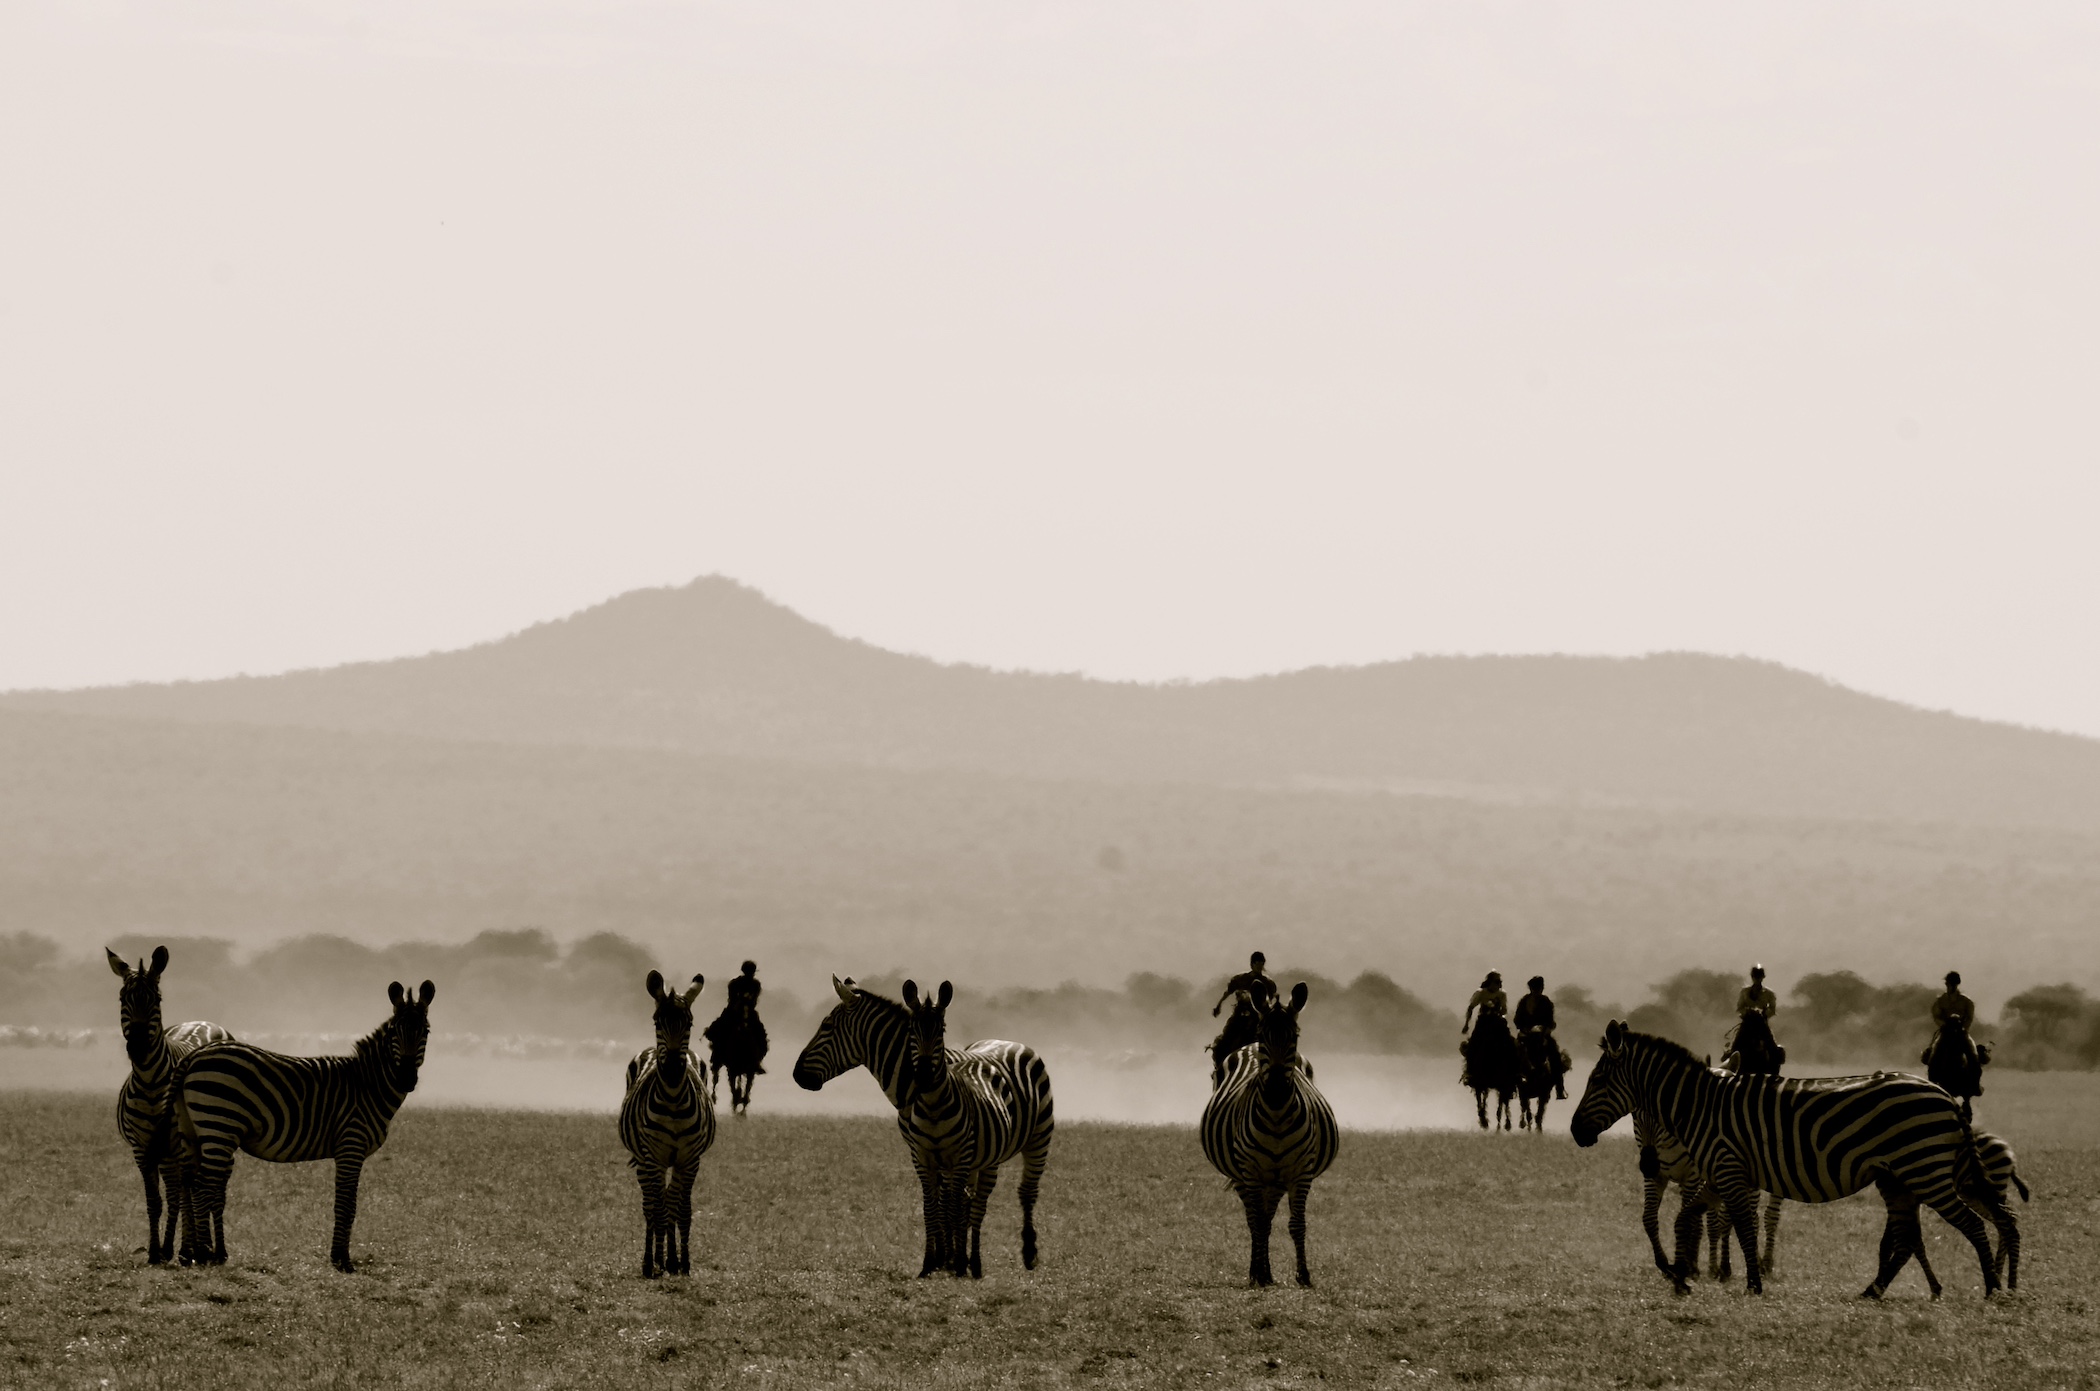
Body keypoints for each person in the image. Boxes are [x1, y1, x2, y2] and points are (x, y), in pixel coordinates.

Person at [1209, 952, 1276, 1085]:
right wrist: (1218, 1006)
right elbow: (1227, 993)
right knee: (1224, 1041)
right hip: (1240, 1015)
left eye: (1262, 964)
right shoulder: (1240, 979)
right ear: (1252, 964)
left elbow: (1270, 1002)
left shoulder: (1268, 983)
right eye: (1257, 963)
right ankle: (1219, 1068)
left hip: (1258, 1017)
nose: (1259, 966)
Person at [1513, 975, 1567, 1100]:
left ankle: (1560, 1088)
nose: (1537, 991)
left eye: (1539, 988)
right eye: (1535, 988)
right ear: (1531, 988)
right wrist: (1525, 1028)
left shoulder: (1546, 1002)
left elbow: (1550, 1021)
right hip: (1525, 1035)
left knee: (1555, 1056)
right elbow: (1517, 1019)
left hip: (1542, 1035)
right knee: (1512, 1054)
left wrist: (1545, 1030)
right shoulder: (1523, 1001)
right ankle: (1511, 1085)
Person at [1925, 970, 1976, 1070]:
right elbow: (1936, 1016)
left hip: (1961, 1033)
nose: (1948, 986)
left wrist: (1963, 1028)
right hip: (1945, 1032)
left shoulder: (1966, 1001)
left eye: (1950, 984)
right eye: (1947, 984)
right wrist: (1944, 1025)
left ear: (1956, 985)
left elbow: (1969, 1018)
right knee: (1932, 1055)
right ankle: (1933, 1077)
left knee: (1973, 1055)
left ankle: (1974, 1078)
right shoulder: (1940, 1001)